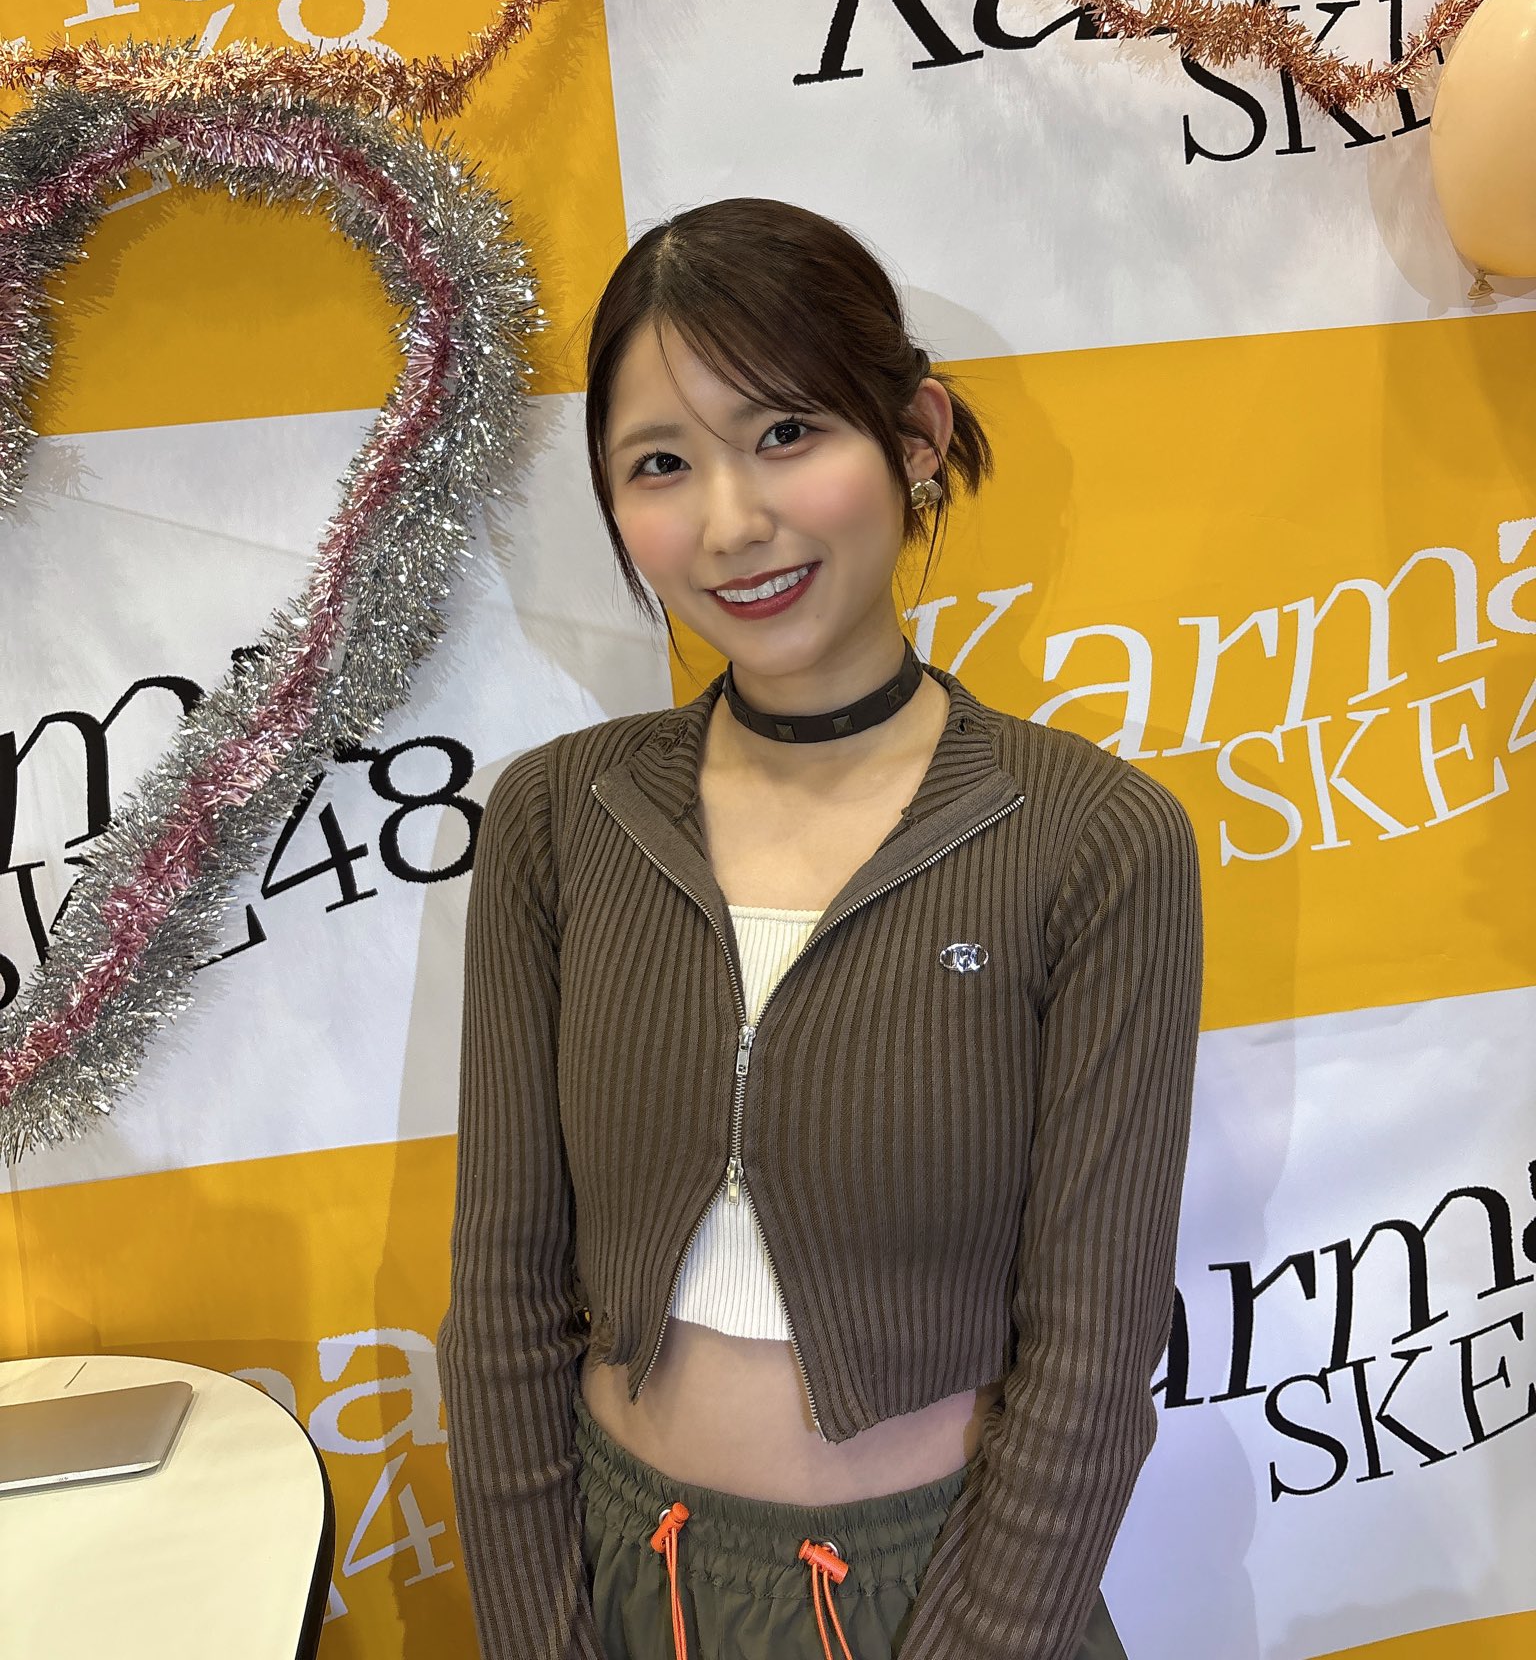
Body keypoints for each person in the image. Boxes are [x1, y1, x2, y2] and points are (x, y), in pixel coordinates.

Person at [437, 199, 1204, 1660]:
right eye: (662, 464)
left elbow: (1095, 1358)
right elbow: (502, 1304)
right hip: (624, 1574)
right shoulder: (558, 820)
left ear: (915, 436)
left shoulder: (1093, 838)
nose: (733, 523)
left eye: (786, 432)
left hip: (951, 1593)